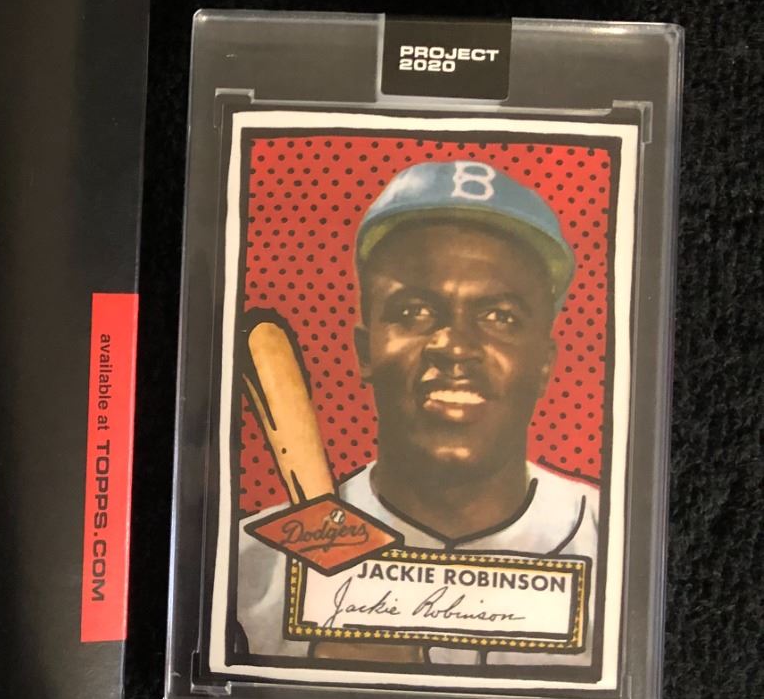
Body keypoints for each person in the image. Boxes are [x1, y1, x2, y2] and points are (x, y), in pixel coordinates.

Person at [236, 159, 598, 665]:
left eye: (500, 316)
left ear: (544, 363)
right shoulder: (244, 573)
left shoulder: (620, 550)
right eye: (414, 312)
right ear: (365, 351)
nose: (454, 347)